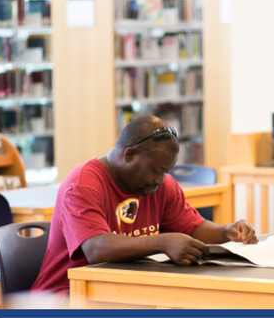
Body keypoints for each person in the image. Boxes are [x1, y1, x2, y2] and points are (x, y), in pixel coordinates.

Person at [31, 115, 258, 306]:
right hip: (66, 297)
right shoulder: (83, 185)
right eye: (155, 170)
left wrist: (226, 231)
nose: (160, 179)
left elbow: (193, 227)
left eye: (166, 171)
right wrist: (161, 242)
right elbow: (95, 248)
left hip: (121, 292)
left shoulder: (160, 185)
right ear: (130, 155)